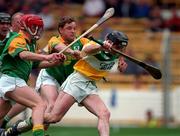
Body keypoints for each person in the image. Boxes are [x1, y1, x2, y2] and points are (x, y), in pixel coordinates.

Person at [44, 30, 128, 136]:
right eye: (118, 47)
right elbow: (86, 49)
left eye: (122, 47)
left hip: (89, 85)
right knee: (54, 117)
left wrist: (122, 60)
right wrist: (101, 47)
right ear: (110, 43)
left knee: (105, 114)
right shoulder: (96, 45)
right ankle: (28, 122)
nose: (120, 50)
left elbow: (122, 52)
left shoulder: (117, 52)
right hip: (76, 82)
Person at [0, 14, 65, 136]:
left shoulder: (31, 42)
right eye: (35, 27)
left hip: (12, 82)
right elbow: (23, 55)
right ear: (26, 27)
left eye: (39, 27)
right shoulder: (17, 39)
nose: (38, 30)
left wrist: (54, 63)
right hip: (12, 81)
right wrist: (47, 56)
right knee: (39, 104)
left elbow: (34, 64)